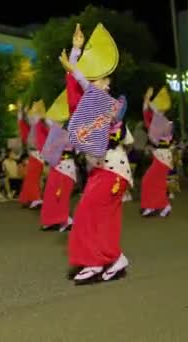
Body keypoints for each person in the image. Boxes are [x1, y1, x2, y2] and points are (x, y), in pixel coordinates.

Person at [61, 23, 132, 285]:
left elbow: (82, 85)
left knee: (85, 213)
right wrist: (76, 52)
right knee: (104, 217)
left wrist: (75, 61)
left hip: (112, 169)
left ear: (107, 82)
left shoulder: (112, 103)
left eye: (97, 78)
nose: (91, 81)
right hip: (105, 169)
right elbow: (75, 91)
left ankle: (95, 261)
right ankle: (113, 258)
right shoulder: (93, 101)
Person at [40, 89, 76, 232]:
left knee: (60, 192)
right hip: (61, 165)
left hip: (65, 165)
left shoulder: (71, 131)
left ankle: (59, 219)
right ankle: (55, 219)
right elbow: (49, 121)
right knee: (56, 192)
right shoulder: (59, 130)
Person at [140, 86, 174, 217]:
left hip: (163, 156)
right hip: (160, 155)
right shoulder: (157, 120)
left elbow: (154, 114)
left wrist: (148, 100)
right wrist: (146, 101)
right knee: (156, 182)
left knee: (148, 180)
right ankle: (159, 205)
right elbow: (146, 116)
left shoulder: (166, 122)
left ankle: (156, 205)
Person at [18, 100, 49, 209]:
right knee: (33, 176)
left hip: (37, 151)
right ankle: (32, 198)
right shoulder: (37, 123)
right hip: (36, 150)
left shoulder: (40, 122)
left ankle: (30, 198)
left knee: (33, 176)